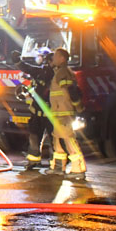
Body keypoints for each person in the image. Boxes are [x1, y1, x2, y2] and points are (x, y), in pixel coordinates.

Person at [47, 47, 87, 181]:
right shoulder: (59, 72)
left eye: (56, 56)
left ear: (62, 59)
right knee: (57, 139)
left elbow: (72, 91)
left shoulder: (64, 72)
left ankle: (78, 168)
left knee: (69, 139)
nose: (53, 58)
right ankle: (58, 167)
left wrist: (78, 107)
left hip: (64, 113)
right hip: (58, 113)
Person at [16, 47, 54, 171]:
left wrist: (18, 62)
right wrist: (25, 94)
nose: (38, 58)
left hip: (49, 113)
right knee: (34, 136)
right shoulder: (40, 73)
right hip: (37, 112)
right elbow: (35, 88)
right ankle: (33, 160)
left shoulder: (49, 72)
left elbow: (29, 69)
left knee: (54, 139)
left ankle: (56, 163)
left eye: (40, 56)